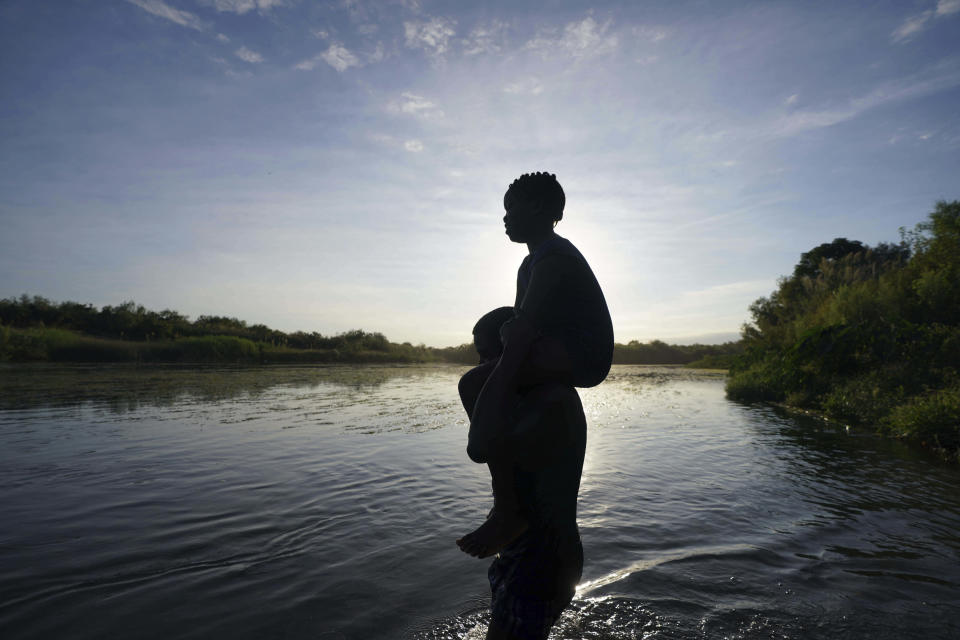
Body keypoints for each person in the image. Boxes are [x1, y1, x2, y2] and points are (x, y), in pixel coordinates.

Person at [456, 172, 613, 639]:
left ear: (544, 211)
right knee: (481, 380)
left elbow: (522, 334)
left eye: (514, 208)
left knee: (475, 383)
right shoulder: (531, 263)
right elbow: (521, 330)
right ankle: (507, 511)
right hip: (553, 355)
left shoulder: (552, 258)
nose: (505, 218)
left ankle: (508, 510)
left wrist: (492, 378)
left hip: (580, 358)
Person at [460, 306, 587, 640]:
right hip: (523, 552)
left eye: (488, 357)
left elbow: (479, 447)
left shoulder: (553, 399)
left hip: (544, 559)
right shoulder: (521, 401)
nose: (481, 368)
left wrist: (508, 358)